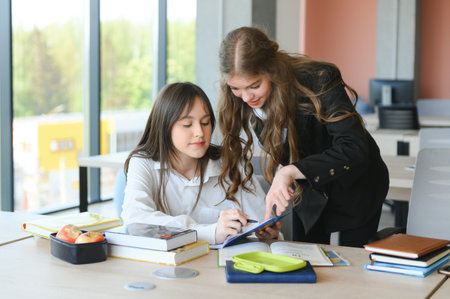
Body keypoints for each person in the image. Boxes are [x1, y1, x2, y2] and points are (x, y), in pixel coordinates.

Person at [216, 27, 389, 247]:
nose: (246, 97)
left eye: (255, 86)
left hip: (356, 185)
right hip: (309, 192)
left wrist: (289, 171)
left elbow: (354, 147)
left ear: (271, 71)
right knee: (305, 259)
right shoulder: (243, 99)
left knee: (351, 267)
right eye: (236, 88)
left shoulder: (319, 78)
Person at [121, 82, 280, 245]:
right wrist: (211, 232)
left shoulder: (231, 162)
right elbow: (136, 220)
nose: (200, 133)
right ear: (165, 126)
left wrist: (267, 233)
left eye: (205, 123)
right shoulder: (143, 163)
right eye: (187, 125)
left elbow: (261, 221)